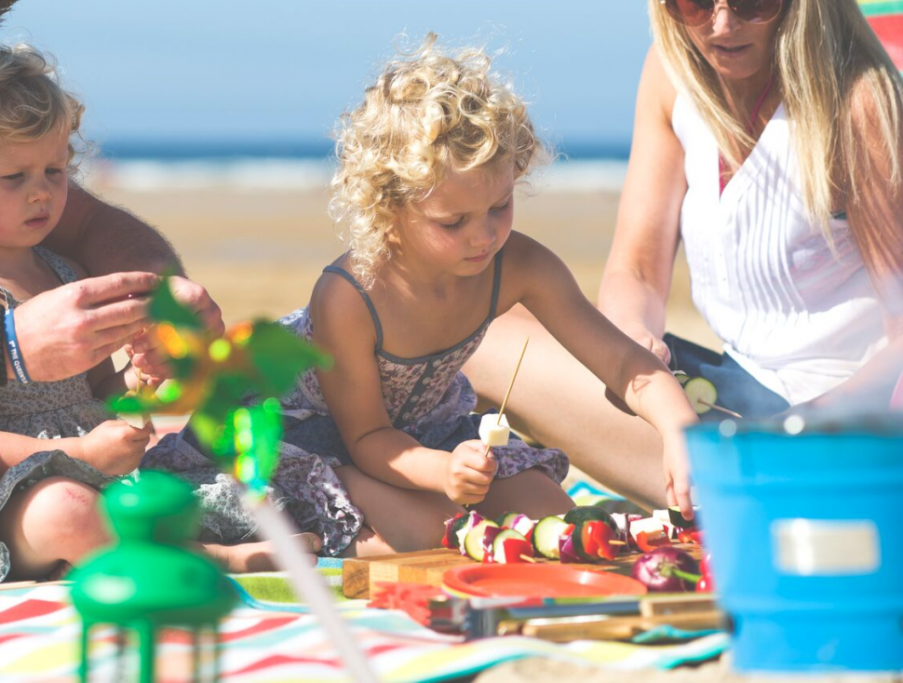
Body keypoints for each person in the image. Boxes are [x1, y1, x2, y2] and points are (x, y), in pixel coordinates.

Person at [153, 35, 698, 558]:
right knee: (435, 533)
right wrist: (443, 475)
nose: (483, 237)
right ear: (391, 210)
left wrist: (679, 430)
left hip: (428, 432)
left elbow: (622, 360)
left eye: (500, 207)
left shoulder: (520, 265)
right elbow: (366, 434)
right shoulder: (350, 296)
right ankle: (285, 539)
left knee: (548, 514)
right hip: (315, 435)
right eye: (453, 221)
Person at [0, 44, 314, 582]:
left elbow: (93, 390)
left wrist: (136, 378)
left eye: (54, 171)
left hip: (93, 466)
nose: (41, 193)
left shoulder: (61, 270)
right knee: (65, 510)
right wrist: (82, 450)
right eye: (14, 178)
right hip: (12, 496)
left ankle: (164, 543)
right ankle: (209, 559)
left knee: (205, 482)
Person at [463, 0, 903, 511]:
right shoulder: (672, 74)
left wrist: (808, 426)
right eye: (694, 3)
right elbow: (638, 270)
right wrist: (630, 338)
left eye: (750, 3)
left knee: (483, 343)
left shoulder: (858, 103)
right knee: (476, 320)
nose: (721, 25)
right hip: (721, 389)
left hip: (823, 429)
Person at [0, 0, 220, 562]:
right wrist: (4, 343)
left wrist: (157, 307)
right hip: (31, 482)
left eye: (55, 172)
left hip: (73, 465)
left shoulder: (50, 259)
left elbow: (84, 222)